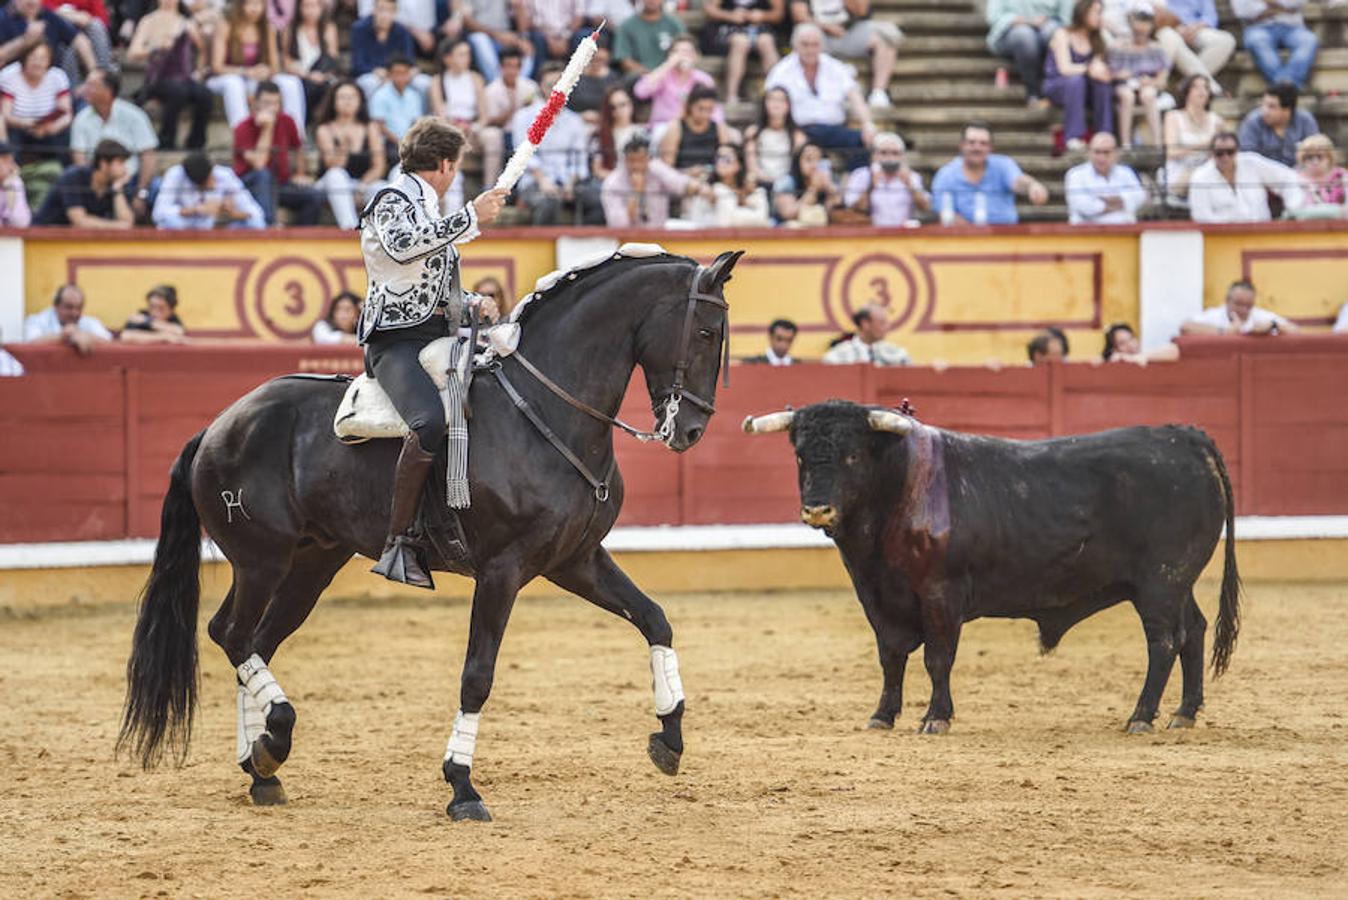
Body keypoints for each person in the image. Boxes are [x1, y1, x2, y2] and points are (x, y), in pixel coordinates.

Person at [358, 117, 509, 587]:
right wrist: (469, 216)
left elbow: (427, 289)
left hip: (434, 336)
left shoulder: (426, 210)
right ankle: (398, 541)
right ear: (445, 165)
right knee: (429, 421)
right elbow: (403, 250)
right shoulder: (390, 201)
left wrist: (471, 305)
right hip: (394, 343)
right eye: (456, 167)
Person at [764, 23, 876, 171]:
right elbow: (771, 101)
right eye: (805, 45)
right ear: (795, 45)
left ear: (821, 46)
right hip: (799, 130)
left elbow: (855, 97)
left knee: (861, 141)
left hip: (833, 129)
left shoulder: (835, 67)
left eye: (815, 45)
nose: (810, 50)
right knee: (794, 147)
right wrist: (786, 129)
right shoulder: (781, 70)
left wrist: (867, 124)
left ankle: (855, 187)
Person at [509, 66, 593, 224]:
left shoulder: (575, 120)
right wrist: (543, 181)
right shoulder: (523, 116)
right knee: (550, 202)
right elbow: (522, 155)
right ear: (541, 86)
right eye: (551, 85)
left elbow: (579, 159)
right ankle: (537, 247)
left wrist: (570, 183)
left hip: (568, 181)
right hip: (534, 182)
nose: (557, 90)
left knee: (596, 200)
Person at [126, 0, 213, 151]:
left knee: (205, 94)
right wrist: (156, 47)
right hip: (159, 78)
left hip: (184, 78)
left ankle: (196, 143)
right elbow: (132, 53)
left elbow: (202, 49)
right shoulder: (149, 20)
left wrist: (199, 71)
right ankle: (166, 140)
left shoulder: (186, 21)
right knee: (178, 92)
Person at [233, 80, 324, 225]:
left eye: (276, 103)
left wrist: (300, 173)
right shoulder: (243, 127)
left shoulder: (287, 120)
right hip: (250, 186)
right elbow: (259, 164)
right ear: (254, 102)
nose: (272, 108)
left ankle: (303, 239)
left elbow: (298, 149)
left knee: (314, 196)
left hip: (281, 184)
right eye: (266, 103)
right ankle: (268, 225)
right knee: (263, 175)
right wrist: (268, 128)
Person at [70, 68, 157, 219]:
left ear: (108, 90)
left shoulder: (135, 115)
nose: (85, 89)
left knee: (158, 188)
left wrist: (141, 193)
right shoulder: (81, 119)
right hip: (97, 182)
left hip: (133, 180)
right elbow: (80, 162)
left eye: (92, 85)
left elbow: (148, 156)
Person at [207, 0, 306, 128]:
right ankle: (242, 135)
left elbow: (274, 66)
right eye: (249, 4)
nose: (254, 9)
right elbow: (216, 67)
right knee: (234, 83)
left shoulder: (267, 27)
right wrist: (246, 71)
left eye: (258, 4)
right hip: (225, 78)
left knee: (291, 83)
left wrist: (265, 71)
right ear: (240, 5)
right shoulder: (226, 25)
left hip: (254, 79)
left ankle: (296, 135)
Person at [930, 121, 1049, 225]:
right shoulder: (946, 174)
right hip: (963, 242)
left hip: (1006, 239)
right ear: (961, 145)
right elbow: (944, 214)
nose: (977, 148)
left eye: (983, 143)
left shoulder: (1003, 165)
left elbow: (1018, 181)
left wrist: (1032, 185)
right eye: (971, 142)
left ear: (991, 147)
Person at [790, 0, 900, 108]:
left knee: (887, 37)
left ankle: (878, 93)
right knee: (803, 32)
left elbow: (862, 11)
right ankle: (805, 90)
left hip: (850, 33)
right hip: (820, 34)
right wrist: (827, 27)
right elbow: (799, 15)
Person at [316, 79, 390, 230]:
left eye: (352, 97)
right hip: (329, 184)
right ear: (334, 102)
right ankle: (350, 228)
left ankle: (384, 235)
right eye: (342, 97)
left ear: (360, 101)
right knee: (336, 175)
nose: (347, 102)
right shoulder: (325, 129)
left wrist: (361, 188)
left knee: (384, 189)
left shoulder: (370, 127)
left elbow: (379, 166)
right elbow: (332, 165)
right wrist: (344, 146)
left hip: (362, 183)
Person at [1042, 0, 1111, 151]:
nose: (1099, 17)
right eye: (1096, 12)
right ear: (1083, 12)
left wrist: (1101, 73)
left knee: (1102, 85)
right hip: (1057, 85)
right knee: (1076, 80)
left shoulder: (1097, 39)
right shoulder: (1063, 33)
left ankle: (1105, 134)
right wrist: (1088, 69)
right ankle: (1074, 136)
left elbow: (1099, 69)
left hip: (1084, 88)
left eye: (1100, 13)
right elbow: (1065, 68)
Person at [1188, 131, 1302, 223]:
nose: (1225, 157)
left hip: (1263, 235)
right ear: (1211, 153)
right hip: (1223, 241)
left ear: (1237, 151)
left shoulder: (1252, 163)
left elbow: (1288, 177)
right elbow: (1201, 217)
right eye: (1219, 153)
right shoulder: (1200, 177)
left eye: (1230, 152)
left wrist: (1293, 210)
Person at [600, 133, 706, 227]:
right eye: (632, 161)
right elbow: (619, 225)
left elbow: (680, 184)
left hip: (659, 235)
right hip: (627, 242)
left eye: (641, 160)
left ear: (648, 158)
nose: (636, 165)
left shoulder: (657, 169)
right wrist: (636, 193)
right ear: (624, 160)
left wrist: (701, 188)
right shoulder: (612, 183)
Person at [429, 38, 494, 183]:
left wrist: (474, 127)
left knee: (493, 136)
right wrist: (456, 127)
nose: (467, 58)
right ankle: (449, 183)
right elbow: (439, 113)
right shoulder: (437, 81)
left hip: (473, 128)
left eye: (468, 54)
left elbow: (484, 115)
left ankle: (489, 185)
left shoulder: (476, 78)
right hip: (450, 127)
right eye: (461, 54)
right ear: (448, 58)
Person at [985, 0, 1074, 104]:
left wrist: (1048, 21)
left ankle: (1056, 90)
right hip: (1012, 32)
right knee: (1024, 36)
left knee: (1052, 31)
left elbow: (1068, 19)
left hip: (1048, 28)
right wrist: (1022, 21)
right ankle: (1034, 91)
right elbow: (993, 16)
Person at [1107, 2, 1169, 149]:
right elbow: (1109, 73)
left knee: (1148, 94)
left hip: (1147, 87)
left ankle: (1157, 143)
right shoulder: (1120, 46)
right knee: (1127, 95)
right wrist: (1121, 75)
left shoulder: (1156, 49)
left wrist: (1151, 81)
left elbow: (1162, 80)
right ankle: (1126, 143)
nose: (1140, 30)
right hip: (1124, 85)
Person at [153, 150, 268, 228]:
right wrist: (196, 209)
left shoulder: (225, 175)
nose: (213, 184)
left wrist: (231, 212)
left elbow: (256, 213)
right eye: (207, 183)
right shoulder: (176, 175)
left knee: (255, 223)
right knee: (171, 220)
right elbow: (159, 214)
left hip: (214, 230)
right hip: (184, 228)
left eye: (211, 177)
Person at [0, 40, 73, 164]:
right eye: (33, 57)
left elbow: (67, 113)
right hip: (18, 126)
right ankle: (12, 171)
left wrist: (54, 127)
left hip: (48, 127)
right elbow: (5, 114)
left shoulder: (58, 77)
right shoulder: (9, 76)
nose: (38, 63)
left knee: (65, 135)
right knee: (11, 138)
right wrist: (24, 123)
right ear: (25, 58)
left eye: (43, 58)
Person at [33, 138, 133, 226]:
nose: (124, 168)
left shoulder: (117, 183)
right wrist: (117, 226)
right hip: (44, 237)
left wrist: (117, 190)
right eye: (120, 162)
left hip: (77, 242)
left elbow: (127, 222)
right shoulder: (73, 177)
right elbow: (80, 221)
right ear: (104, 164)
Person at [701, 0, 782, 104]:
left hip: (760, 30)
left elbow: (779, 14)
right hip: (730, 31)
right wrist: (730, 15)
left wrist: (762, 15)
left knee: (766, 41)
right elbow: (709, 9)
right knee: (740, 42)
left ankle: (777, 93)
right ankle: (731, 96)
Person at [842, 131, 929, 226]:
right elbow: (852, 209)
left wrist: (910, 186)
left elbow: (925, 208)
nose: (890, 157)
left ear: (902, 156)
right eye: (883, 153)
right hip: (869, 234)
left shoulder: (911, 176)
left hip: (903, 234)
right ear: (874, 155)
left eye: (895, 153)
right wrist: (871, 186)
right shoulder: (862, 175)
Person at [1161, 73, 1224, 201]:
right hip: (1180, 171)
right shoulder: (1173, 117)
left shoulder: (1217, 121)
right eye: (1196, 87)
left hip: (1208, 169)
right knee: (1200, 178)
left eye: (1205, 87)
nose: (1201, 91)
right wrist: (1203, 146)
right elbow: (1171, 152)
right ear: (1187, 92)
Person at [0, 0, 95, 85]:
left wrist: (93, 72)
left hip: (50, 82)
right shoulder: (3, 18)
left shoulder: (49, 16)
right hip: (14, 83)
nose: (32, 2)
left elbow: (79, 39)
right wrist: (25, 40)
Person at [635, 34, 717, 129]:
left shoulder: (703, 79)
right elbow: (640, 92)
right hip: (664, 126)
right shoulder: (662, 75)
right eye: (676, 52)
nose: (682, 56)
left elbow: (714, 108)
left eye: (687, 52)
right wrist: (668, 65)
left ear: (697, 56)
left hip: (694, 127)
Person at [1232, 0, 1317, 91]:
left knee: (1309, 40)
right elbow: (1245, 12)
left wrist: (1265, 4)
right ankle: (1287, 87)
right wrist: (1283, 8)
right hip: (1258, 28)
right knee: (1257, 41)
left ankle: (1283, 87)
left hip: (1292, 27)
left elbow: (1297, 2)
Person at [1151, 0, 1234, 92]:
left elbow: (1210, 17)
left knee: (1225, 40)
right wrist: (1174, 25)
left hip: (1196, 28)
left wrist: (1195, 27)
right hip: (1166, 28)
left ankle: (1186, 85)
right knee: (1170, 37)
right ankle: (1211, 88)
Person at [1064, 131, 1146, 224]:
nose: (1101, 157)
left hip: (1125, 232)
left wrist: (1108, 201)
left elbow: (1140, 197)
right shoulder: (1075, 174)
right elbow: (1081, 205)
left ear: (1115, 153)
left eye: (1106, 152)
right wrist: (1121, 202)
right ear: (1089, 152)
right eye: (1097, 152)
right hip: (1086, 233)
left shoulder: (1126, 172)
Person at [683, 142, 771, 227]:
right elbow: (699, 221)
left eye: (727, 159)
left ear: (739, 164)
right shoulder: (706, 189)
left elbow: (763, 219)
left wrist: (743, 202)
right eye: (718, 158)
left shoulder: (751, 189)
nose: (720, 162)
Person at [282, 0, 341, 124]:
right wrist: (308, 75)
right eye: (306, 6)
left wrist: (322, 75)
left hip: (323, 75)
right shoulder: (290, 29)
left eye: (314, 6)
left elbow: (332, 58)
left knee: (329, 86)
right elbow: (287, 64)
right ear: (299, 8)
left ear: (321, 8)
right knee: (306, 87)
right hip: (300, 76)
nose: (310, 11)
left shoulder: (328, 28)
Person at [658, 84, 735, 177]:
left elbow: (726, 159)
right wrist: (687, 173)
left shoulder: (719, 128)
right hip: (682, 179)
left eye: (709, 109)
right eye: (701, 109)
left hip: (711, 178)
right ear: (690, 106)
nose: (705, 114)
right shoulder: (676, 128)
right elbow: (667, 167)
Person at [1237, 81, 1318, 169]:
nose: (1265, 111)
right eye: (1264, 104)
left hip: (1299, 176)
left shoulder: (1305, 121)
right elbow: (1248, 159)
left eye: (1271, 106)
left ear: (1287, 110)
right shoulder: (1253, 122)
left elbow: (1315, 153)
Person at [352, 0, 423, 99]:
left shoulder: (402, 31)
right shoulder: (360, 29)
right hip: (371, 74)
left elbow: (409, 60)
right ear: (374, 10)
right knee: (370, 83)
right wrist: (375, 70)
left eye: (390, 10)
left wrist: (409, 71)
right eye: (381, 9)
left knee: (423, 83)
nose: (385, 15)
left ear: (395, 13)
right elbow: (358, 64)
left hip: (398, 73)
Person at [1181, 279, 1298, 335]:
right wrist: (1225, 332)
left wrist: (1273, 326)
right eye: (1238, 304)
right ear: (1227, 300)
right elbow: (1185, 327)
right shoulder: (1216, 314)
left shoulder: (1258, 315)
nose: (1243, 310)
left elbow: (1295, 331)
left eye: (1248, 306)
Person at [743, 86, 806, 189]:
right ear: (764, 103)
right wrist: (769, 181)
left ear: (788, 105)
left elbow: (797, 169)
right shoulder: (753, 132)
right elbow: (752, 166)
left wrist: (782, 183)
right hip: (760, 182)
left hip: (788, 185)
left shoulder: (797, 136)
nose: (776, 104)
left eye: (781, 100)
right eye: (771, 99)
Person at [22, 283, 111, 355]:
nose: (74, 313)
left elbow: (110, 343)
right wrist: (65, 336)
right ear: (56, 306)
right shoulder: (37, 320)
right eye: (69, 307)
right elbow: (30, 343)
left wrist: (84, 335)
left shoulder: (89, 322)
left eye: (79, 308)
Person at [463, 0, 535, 82]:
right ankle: (497, 83)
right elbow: (466, 20)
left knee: (528, 47)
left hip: (505, 34)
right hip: (482, 33)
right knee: (479, 39)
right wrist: (497, 35)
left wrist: (522, 38)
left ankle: (518, 83)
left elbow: (518, 6)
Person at [773, 140, 840, 225]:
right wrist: (813, 189)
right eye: (809, 159)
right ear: (798, 162)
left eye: (818, 160)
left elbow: (837, 208)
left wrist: (829, 188)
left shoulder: (829, 179)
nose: (814, 165)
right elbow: (788, 214)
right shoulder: (786, 181)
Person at [613, 0, 685, 77]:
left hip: (671, 76)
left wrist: (664, 74)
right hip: (639, 78)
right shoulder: (627, 26)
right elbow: (624, 59)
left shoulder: (675, 24)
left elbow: (684, 52)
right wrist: (650, 76)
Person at [823, 304, 909, 365]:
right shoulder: (839, 355)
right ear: (865, 324)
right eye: (882, 323)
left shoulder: (897, 353)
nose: (888, 327)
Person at [371, 54, 427, 145]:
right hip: (388, 142)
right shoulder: (380, 95)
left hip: (409, 141)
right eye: (397, 73)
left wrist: (409, 141)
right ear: (389, 74)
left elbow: (415, 122)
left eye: (404, 72)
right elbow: (380, 125)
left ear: (409, 74)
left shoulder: (414, 95)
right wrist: (399, 142)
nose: (401, 76)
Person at [42, 0, 113, 70]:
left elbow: (102, 19)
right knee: (68, 49)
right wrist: (72, 16)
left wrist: (87, 18)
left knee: (96, 25)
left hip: (87, 32)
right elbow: (43, 9)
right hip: (61, 35)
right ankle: (71, 81)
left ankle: (104, 73)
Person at [1291, 133, 1348, 217]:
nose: (1315, 161)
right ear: (1302, 159)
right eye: (1309, 157)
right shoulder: (1295, 178)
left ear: (1329, 157)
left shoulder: (1342, 176)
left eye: (1319, 156)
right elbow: (1295, 210)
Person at [591, 84, 637, 180]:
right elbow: (598, 170)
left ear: (631, 104)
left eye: (623, 105)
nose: (619, 110)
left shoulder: (641, 132)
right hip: (611, 186)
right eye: (613, 107)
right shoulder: (600, 135)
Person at [519, 0, 583, 64]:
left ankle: (578, 72)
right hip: (542, 33)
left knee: (583, 36)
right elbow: (528, 19)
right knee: (537, 38)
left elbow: (579, 16)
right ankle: (538, 72)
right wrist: (548, 38)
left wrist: (566, 37)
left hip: (568, 34)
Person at [120, 284, 187, 344]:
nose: (155, 312)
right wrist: (163, 336)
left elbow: (178, 331)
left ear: (171, 310)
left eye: (161, 308)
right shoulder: (142, 315)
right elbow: (126, 336)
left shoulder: (173, 319)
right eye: (152, 307)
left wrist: (148, 322)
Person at [1101, 321, 1178, 364]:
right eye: (1122, 343)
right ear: (1114, 349)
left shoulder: (1144, 357)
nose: (1130, 344)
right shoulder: (1114, 361)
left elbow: (1174, 351)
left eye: (1131, 338)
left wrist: (1135, 358)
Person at [0, 141, 30, 226]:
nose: (12, 166)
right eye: (5, 160)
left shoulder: (13, 182)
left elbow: (21, 223)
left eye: (11, 161)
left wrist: (10, 188)